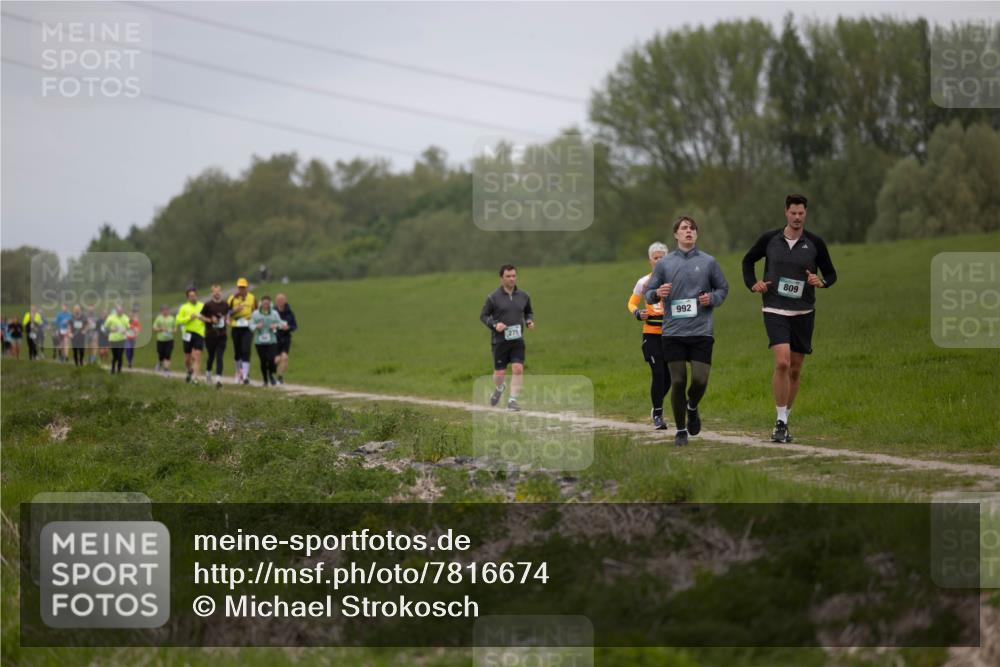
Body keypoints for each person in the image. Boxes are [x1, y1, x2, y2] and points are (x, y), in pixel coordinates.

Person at [741, 193, 838, 443]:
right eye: (793, 213)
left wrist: (822, 282)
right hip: (774, 308)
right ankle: (780, 421)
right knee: (782, 363)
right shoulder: (769, 239)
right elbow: (748, 261)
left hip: (804, 311)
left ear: (805, 214)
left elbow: (830, 273)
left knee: (795, 369)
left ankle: (785, 420)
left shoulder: (815, 242)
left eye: (801, 213)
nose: (797, 217)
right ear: (786, 212)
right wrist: (754, 284)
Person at [645, 217, 729, 446]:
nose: (688, 231)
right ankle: (681, 430)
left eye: (692, 228)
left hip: (702, 331)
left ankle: (692, 407)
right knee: (679, 381)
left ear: (697, 235)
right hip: (673, 332)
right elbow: (649, 292)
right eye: (684, 228)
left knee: (700, 380)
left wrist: (711, 298)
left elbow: (723, 288)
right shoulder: (664, 264)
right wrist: (657, 293)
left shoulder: (709, 262)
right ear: (676, 235)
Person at [628, 242, 671, 429]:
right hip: (651, 334)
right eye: (656, 258)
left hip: (671, 334)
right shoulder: (643, 282)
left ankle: (656, 406)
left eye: (662, 257)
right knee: (658, 373)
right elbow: (631, 303)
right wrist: (638, 313)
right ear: (650, 261)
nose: (659, 260)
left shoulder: (673, 280)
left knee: (670, 378)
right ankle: (658, 414)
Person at [480, 264, 535, 411]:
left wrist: (529, 321)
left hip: (517, 340)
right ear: (501, 278)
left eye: (513, 276)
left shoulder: (524, 296)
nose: (511, 279)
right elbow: (483, 316)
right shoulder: (493, 298)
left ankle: (512, 401)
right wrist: (494, 324)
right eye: (508, 276)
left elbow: (529, 312)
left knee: (518, 369)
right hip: (500, 341)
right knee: (500, 374)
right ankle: (500, 388)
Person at [227, 278, 256, 385]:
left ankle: (245, 376)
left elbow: (256, 311)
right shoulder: (231, 298)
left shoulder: (252, 298)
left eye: (243, 287)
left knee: (246, 349)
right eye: (240, 287)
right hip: (236, 326)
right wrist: (235, 310)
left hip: (247, 327)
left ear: (247, 287)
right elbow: (226, 312)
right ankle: (238, 373)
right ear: (237, 287)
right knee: (237, 352)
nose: (241, 289)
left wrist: (255, 323)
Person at [176, 287, 207, 384]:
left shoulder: (202, 306)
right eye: (190, 296)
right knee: (187, 359)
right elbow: (178, 321)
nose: (193, 297)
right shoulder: (184, 307)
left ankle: (195, 378)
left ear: (197, 295)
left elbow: (208, 318)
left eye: (194, 295)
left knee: (197, 355)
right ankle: (189, 371)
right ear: (187, 297)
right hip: (187, 333)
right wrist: (190, 317)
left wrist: (203, 318)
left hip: (199, 333)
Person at [251, 295, 284, 386]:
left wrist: (275, 326)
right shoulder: (255, 314)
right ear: (261, 303)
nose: (266, 305)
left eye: (267, 303)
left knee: (271, 360)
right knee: (263, 361)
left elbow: (281, 323)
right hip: (259, 342)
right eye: (264, 303)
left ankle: (271, 375)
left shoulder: (274, 313)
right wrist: (256, 326)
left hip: (271, 341)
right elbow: (251, 325)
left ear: (270, 304)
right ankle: (265, 380)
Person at [201, 284, 229, 387]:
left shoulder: (225, 305)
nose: (217, 293)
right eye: (215, 291)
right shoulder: (208, 305)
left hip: (222, 335)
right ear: (212, 293)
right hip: (210, 335)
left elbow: (227, 316)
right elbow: (200, 317)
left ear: (221, 292)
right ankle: (208, 373)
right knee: (211, 357)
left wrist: (227, 320)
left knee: (219, 356)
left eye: (218, 291)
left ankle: (218, 379)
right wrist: (210, 320)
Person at [274, 293, 297, 385]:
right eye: (278, 300)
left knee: (285, 357)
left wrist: (289, 327)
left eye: (282, 300)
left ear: (285, 301)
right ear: (276, 302)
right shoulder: (273, 312)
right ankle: (272, 374)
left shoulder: (290, 313)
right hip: (274, 337)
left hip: (285, 337)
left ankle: (280, 376)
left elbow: (295, 326)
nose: (280, 302)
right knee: (277, 359)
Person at [104, 304, 130, 374]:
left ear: (123, 311)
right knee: (115, 355)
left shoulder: (126, 318)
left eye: (121, 311)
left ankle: (119, 370)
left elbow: (128, 327)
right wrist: (111, 329)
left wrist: (125, 330)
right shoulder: (111, 318)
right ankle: (112, 369)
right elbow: (105, 327)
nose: (120, 312)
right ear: (116, 311)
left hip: (122, 339)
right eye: (119, 311)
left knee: (120, 355)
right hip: (113, 339)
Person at [152, 304, 176, 375]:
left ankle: (166, 370)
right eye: (163, 310)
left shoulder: (171, 318)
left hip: (169, 340)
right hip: (160, 340)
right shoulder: (158, 318)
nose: (165, 311)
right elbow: (154, 328)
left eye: (166, 310)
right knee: (161, 354)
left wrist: (171, 330)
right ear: (161, 311)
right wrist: (161, 329)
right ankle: (159, 363)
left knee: (168, 354)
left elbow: (175, 329)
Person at [124, 304, 141, 369]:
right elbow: (124, 327)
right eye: (130, 312)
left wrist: (136, 332)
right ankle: (128, 362)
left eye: (132, 313)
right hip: (127, 337)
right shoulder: (125, 320)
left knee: (131, 350)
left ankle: (130, 361)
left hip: (133, 338)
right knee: (128, 349)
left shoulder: (135, 321)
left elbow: (139, 328)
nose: (131, 314)